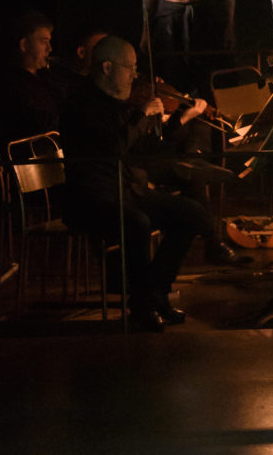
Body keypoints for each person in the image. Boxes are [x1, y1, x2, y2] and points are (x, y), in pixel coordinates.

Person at [60, 35, 221, 330]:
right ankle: (142, 307)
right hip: (90, 198)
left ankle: (155, 293)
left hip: (125, 191)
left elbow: (145, 152)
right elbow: (116, 145)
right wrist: (142, 115)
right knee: (136, 223)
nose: (136, 75)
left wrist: (178, 120)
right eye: (130, 67)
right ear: (107, 67)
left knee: (191, 213)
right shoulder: (81, 103)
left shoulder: (118, 103)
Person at [0, 11, 63, 148]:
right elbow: (37, 123)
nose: (49, 49)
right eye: (43, 42)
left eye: (49, 42)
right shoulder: (8, 84)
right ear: (24, 45)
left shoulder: (47, 78)